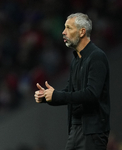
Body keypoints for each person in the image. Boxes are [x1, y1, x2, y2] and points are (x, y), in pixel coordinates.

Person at [34, 12, 110, 150]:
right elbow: (70, 92)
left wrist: (57, 95)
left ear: (82, 32)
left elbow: (92, 94)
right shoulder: (75, 60)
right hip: (75, 130)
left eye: (69, 28)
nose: (63, 32)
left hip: (92, 132)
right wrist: (48, 97)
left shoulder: (97, 57)